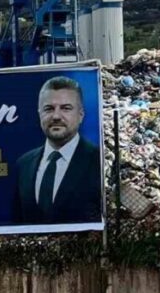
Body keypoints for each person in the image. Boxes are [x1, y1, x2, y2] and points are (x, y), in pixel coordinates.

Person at [12, 76, 102, 224]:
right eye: (49, 109)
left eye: (66, 108)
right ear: (39, 114)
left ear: (81, 115)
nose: (56, 116)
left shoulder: (98, 161)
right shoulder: (24, 164)